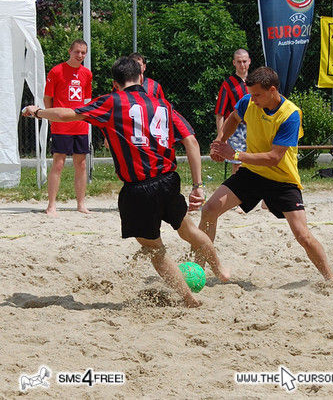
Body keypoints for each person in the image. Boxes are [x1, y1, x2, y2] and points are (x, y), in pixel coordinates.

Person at [23, 57, 229, 307]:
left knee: (155, 249)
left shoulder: (112, 101)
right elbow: (192, 141)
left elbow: (68, 115)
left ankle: (188, 299)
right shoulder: (162, 103)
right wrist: (197, 185)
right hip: (169, 180)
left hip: (139, 188)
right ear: (141, 78)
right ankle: (222, 272)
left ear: (115, 83)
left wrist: (38, 112)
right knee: (189, 230)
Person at [197, 66, 333, 281]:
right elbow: (233, 118)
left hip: (282, 179)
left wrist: (235, 154)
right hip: (252, 173)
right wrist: (219, 142)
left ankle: (331, 279)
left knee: (303, 236)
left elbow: (274, 157)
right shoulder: (248, 101)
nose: (253, 99)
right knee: (209, 210)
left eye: (257, 94)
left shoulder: (290, 114)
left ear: (272, 90)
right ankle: (199, 269)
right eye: (251, 94)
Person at [43, 39, 92, 216]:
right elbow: (48, 97)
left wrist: (86, 119)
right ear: (70, 51)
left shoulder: (87, 73)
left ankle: (80, 204)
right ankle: (51, 205)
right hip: (61, 125)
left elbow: (86, 100)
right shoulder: (56, 71)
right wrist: (50, 116)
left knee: (81, 164)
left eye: (83, 52)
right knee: (59, 163)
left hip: (80, 125)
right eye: (77, 51)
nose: (80, 55)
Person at [215, 49, 251, 175]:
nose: (242, 65)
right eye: (239, 62)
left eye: (244, 61)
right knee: (238, 163)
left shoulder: (255, 82)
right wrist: (221, 137)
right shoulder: (228, 84)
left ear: (249, 62)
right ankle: (237, 192)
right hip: (237, 128)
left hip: (255, 126)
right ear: (234, 63)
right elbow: (220, 113)